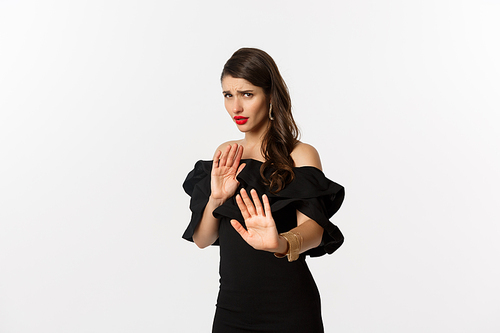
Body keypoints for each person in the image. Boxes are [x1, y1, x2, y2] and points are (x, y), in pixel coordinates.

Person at [182, 48, 345, 333]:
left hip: (289, 309)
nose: (236, 108)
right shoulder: (226, 152)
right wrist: (217, 198)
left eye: (247, 94)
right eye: (228, 95)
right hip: (232, 309)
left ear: (270, 96)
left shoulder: (301, 155)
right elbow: (202, 239)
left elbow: (315, 232)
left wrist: (279, 244)